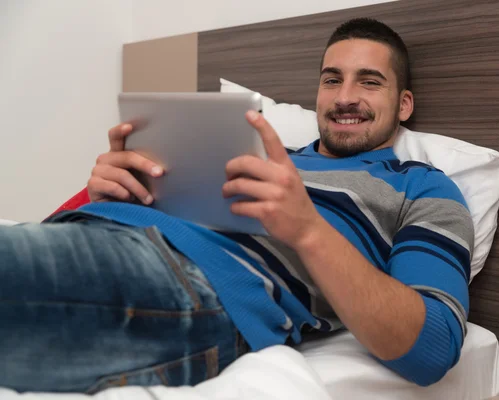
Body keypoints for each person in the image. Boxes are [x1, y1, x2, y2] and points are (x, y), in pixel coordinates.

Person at [0, 18, 473, 393]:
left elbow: (433, 347)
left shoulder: (424, 188)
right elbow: (47, 233)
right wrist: (99, 196)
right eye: (332, 80)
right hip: (103, 236)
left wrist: (307, 229)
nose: (345, 97)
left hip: (194, 283)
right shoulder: (246, 151)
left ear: (404, 103)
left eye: (369, 82)